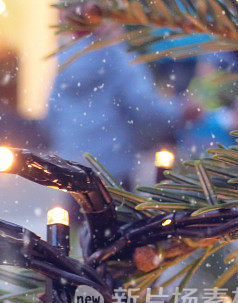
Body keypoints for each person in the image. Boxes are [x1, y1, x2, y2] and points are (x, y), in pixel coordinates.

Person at [47, 21, 197, 190]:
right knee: (118, 213)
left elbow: (51, 114)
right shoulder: (117, 57)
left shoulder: (66, 58)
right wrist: (180, 111)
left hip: (72, 167)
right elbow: (144, 106)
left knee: (78, 213)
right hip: (113, 166)